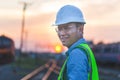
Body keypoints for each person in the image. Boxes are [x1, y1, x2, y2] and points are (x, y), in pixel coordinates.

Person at [53, 5, 99, 80]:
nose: (61, 33)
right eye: (59, 29)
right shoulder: (84, 49)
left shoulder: (77, 54)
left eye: (67, 28)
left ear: (80, 29)